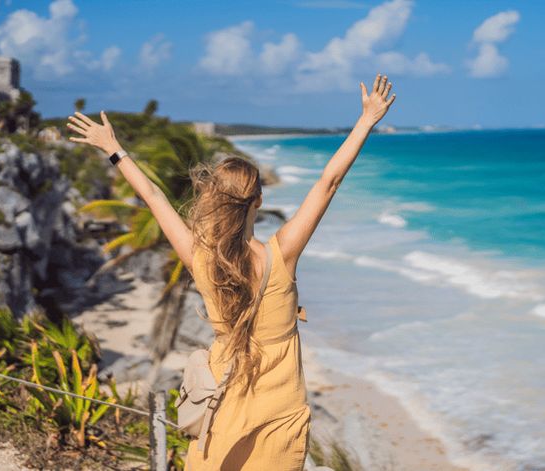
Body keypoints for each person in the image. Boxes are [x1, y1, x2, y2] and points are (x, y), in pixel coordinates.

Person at [66, 73, 396, 470]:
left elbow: (152, 196)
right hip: (281, 410)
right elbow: (328, 182)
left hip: (225, 401)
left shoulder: (200, 257)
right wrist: (366, 120)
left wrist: (113, 148)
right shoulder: (282, 254)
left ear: (215, 200)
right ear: (258, 200)